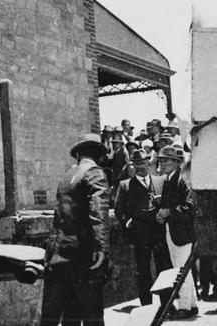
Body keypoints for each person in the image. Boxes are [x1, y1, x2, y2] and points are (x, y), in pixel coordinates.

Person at [41, 133, 110, 326]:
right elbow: (98, 211)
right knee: (91, 317)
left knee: (59, 317)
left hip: (57, 257)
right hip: (83, 259)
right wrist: (102, 247)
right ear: (99, 155)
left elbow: (58, 217)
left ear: (78, 154)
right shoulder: (95, 173)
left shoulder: (66, 177)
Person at [114, 150, 172, 308]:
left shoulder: (161, 181)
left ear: (148, 163)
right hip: (139, 235)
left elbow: (169, 204)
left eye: (143, 163)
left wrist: (163, 211)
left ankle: (166, 305)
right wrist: (129, 223)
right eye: (136, 164)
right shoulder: (125, 185)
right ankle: (146, 306)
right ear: (132, 165)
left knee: (163, 269)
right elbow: (118, 210)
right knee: (143, 271)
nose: (140, 166)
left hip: (159, 233)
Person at [156, 146, 198, 320]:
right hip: (173, 231)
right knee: (181, 269)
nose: (162, 163)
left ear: (175, 162)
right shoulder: (169, 180)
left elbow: (189, 207)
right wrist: (162, 215)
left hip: (182, 234)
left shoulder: (182, 181)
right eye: (161, 160)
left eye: (166, 160)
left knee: (182, 270)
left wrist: (169, 213)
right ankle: (192, 304)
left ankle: (185, 307)